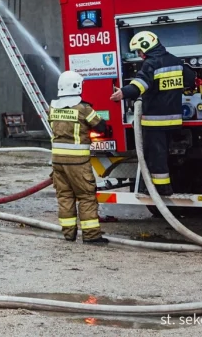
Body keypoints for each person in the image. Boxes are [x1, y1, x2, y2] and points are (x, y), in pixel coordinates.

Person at [110, 30, 187, 196]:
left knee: (155, 156)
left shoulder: (151, 64)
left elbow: (140, 85)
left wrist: (122, 93)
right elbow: (190, 79)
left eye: (139, 51)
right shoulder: (175, 61)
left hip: (155, 121)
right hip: (175, 120)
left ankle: (160, 188)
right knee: (167, 154)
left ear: (146, 47)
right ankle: (166, 185)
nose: (139, 54)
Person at [48, 70, 108, 245]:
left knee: (65, 197)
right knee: (86, 196)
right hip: (78, 163)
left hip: (58, 161)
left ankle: (69, 234)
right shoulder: (83, 108)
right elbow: (101, 126)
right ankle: (91, 236)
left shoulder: (52, 107)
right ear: (77, 86)